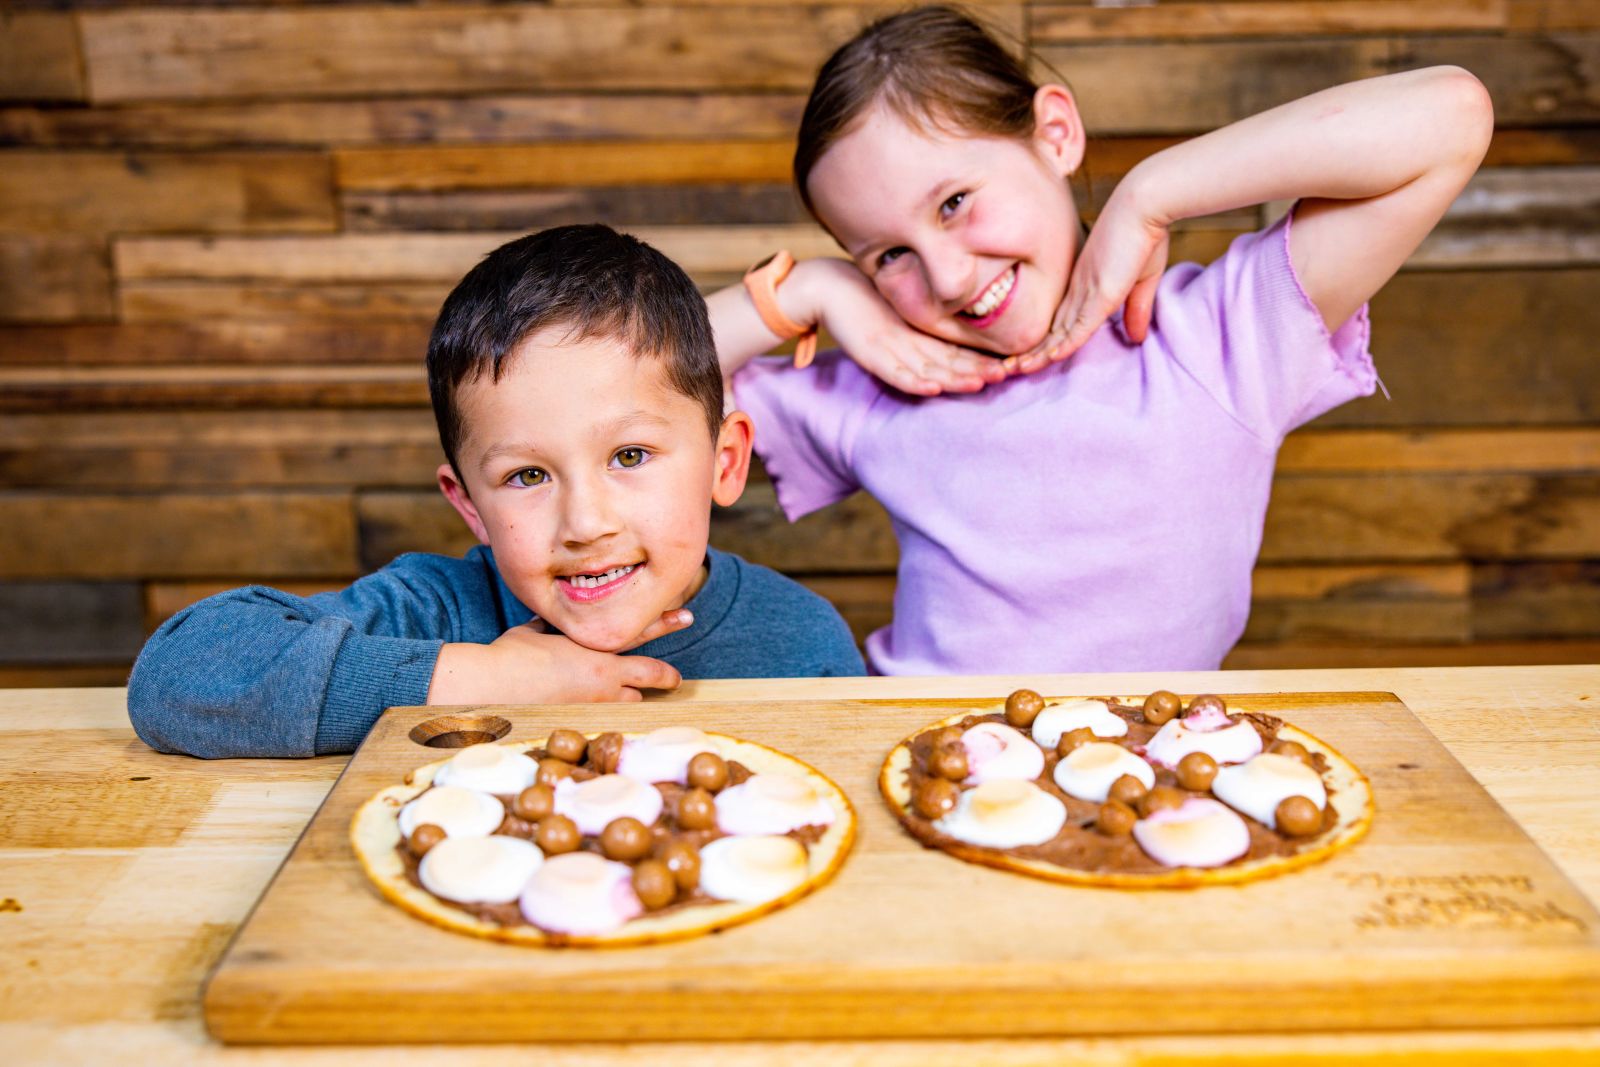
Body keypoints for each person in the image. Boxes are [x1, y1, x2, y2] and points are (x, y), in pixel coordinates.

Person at [710, 5, 1493, 676]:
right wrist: (806, 291)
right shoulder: (893, 380)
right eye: (887, 255)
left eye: (953, 202)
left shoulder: (1215, 337)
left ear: (1055, 134)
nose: (945, 277)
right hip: (915, 762)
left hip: (1137, 778)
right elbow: (625, 391)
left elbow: (1450, 113)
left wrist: (1152, 194)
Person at [129, 225, 865, 758]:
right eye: (528, 475)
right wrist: (489, 676)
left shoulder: (806, 644)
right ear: (469, 505)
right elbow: (179, 675)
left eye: (630, 454)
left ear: (725, 463)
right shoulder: (434, 610)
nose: (585, 522)